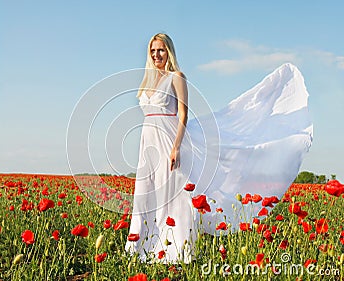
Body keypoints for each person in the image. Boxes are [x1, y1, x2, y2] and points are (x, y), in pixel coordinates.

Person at [125, 33, 313, 264]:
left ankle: (176, 250)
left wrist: (175, 148)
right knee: (147, 193)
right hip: (148, 144)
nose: (156, 55)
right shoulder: (148, 81)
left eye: (161, 50)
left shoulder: (177, 77)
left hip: (169, 142)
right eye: (153, 51)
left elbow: (183, 115)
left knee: (173, 195)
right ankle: (142, 247)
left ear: (169, 52)